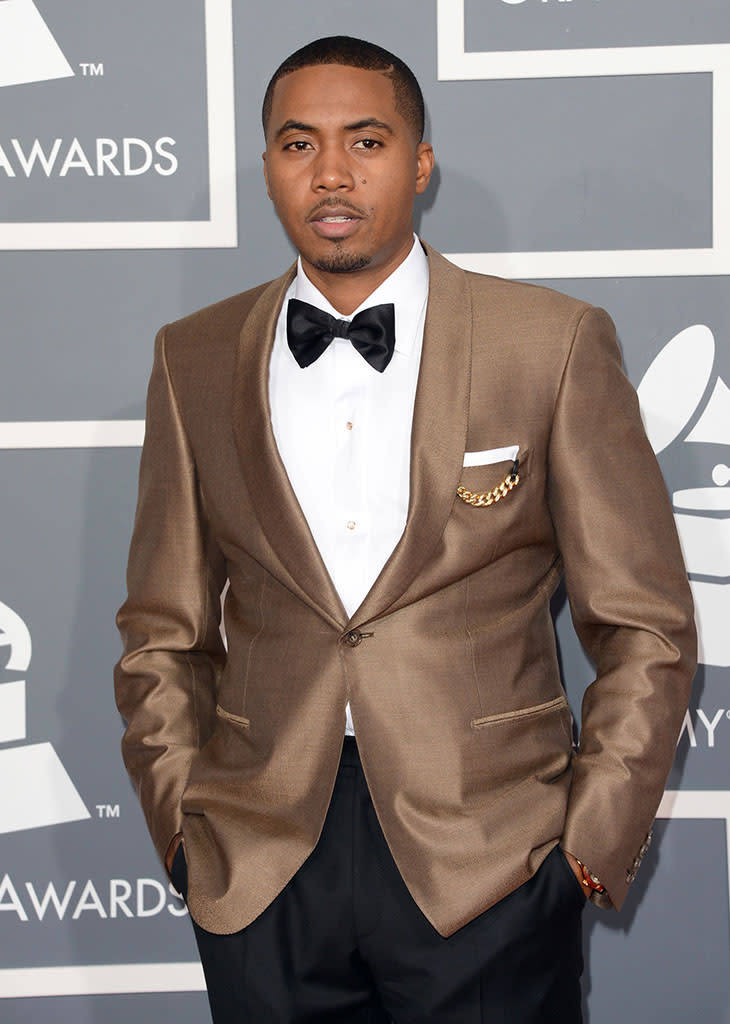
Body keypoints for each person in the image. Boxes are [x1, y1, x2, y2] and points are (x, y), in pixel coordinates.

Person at [114, 35, 696, 1023]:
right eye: (298, 144)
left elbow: (643, 625)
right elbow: (162, 630)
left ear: (420, 163)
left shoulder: (548, 343)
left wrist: (585, 852)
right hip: (259, 866)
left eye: (367, 140)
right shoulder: (194, 357)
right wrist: (184, 829)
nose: (331, 172)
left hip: (490, 867)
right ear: (266, 168)